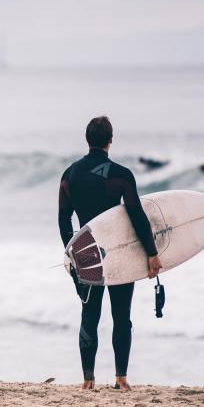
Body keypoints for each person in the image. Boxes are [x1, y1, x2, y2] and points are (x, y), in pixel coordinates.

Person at [58, 116, 161, 391]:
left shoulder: (70, 175)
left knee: (89, 314)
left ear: (87, 140)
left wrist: (72, 251)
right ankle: (120, 378)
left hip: (88, 253)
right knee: (121, 315)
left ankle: (88, 380)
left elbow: (63, 219)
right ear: (110, 140)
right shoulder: (120, 175)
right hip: (117, 253)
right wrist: (151, 253)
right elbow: (137, 216)